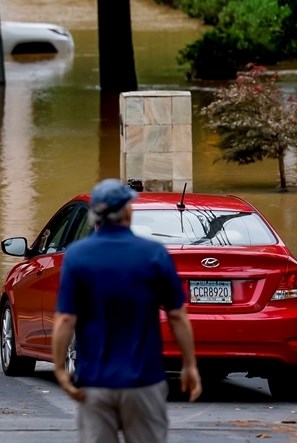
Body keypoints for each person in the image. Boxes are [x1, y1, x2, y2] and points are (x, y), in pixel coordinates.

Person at [52, 179, 200, 443]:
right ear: (128, 211)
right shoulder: (153, 254)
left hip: (95, 382)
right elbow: (177, 314)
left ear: (94, 214)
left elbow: (65, 318)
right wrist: (189, 365)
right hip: (144, 381)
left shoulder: (77, 256)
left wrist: (60, 368)